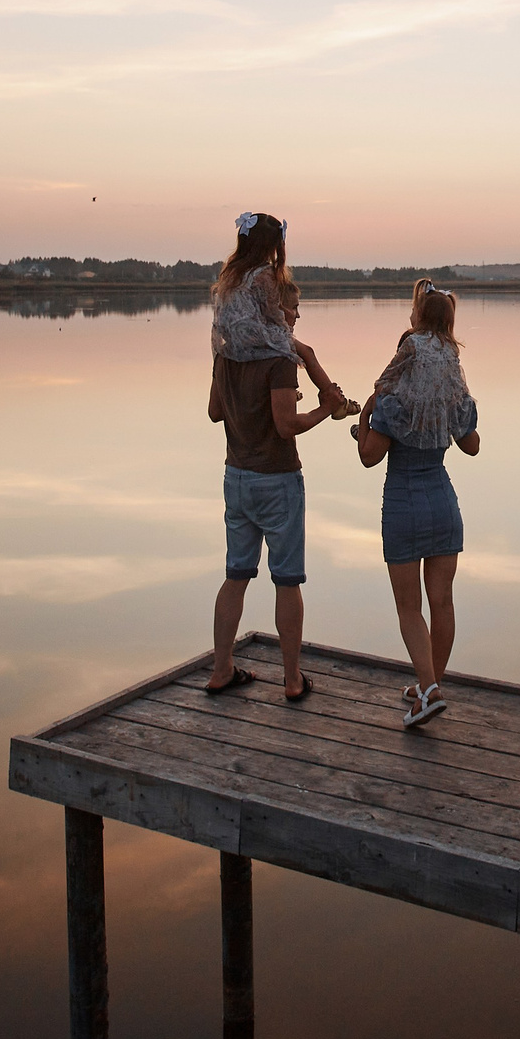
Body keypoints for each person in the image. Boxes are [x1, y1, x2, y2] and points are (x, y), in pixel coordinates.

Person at [205, 212, 347, 702]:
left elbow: (213, 411)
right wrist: (323, 412)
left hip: (235, 476)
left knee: (235, 577)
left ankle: (222, 668)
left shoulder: (225, 352)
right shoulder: (278, 359)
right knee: (287, 582)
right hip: (277, 480)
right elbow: (286, 425)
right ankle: (291, 679)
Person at [354, 279, 480, 728]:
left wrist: (366, 417)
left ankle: (427, 691)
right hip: (443, 500)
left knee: (410, 607)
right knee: (442, 601)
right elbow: (472, 446)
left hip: (404, 503)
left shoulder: (394, 394)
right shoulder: (451, 386)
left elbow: (371, 456)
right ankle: (431, 684)